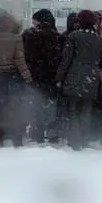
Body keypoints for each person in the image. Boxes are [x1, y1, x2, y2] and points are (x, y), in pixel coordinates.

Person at [56, 9, 102, 150]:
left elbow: (66, 60)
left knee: (73, 110)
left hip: (73, 78)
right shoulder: (100, 41)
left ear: (79, 21)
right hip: (91, 80)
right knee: (86, 110)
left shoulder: (73, 37)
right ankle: (83, 138)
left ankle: (74, 140)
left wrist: (59, 78)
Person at [0, 10, 32, 147]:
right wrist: (27, 76)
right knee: (14, 108)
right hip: (12, 77)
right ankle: (17, 138)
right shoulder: (16, 38)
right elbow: (20, 60)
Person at [23, 8, 64, 143]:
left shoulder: (33, 37)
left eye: (34, 22)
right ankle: (52, 132)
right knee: (52, 106)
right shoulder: (58, 37)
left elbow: (28, 57)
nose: (33, 24)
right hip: (53, 78)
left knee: (37, 104)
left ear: (40, 21)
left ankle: (37, 132)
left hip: (37, 77)